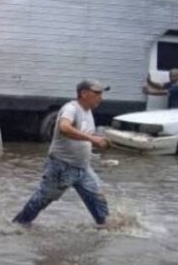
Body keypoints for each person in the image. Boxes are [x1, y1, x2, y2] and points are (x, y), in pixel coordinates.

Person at [13, 80, 111, 227]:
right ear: (84, 93)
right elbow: (64, 128)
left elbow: (83, 137)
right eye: (97, 93)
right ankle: (18, 225)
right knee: (42, 200)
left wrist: (98, 141)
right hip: (62, 167)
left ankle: (106, 230)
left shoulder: (88, 111)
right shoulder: (71, 108)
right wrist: (92, 139)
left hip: (83, 168)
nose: (101, 98)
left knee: (99, 200)